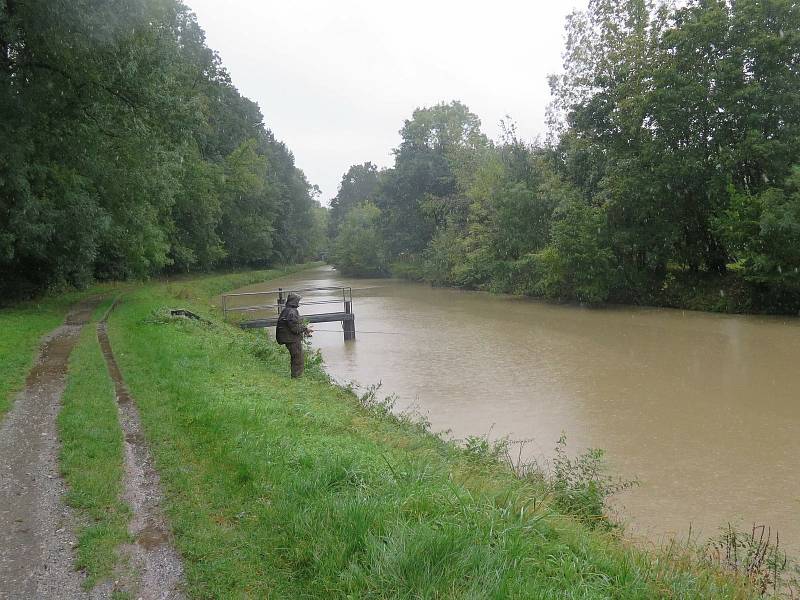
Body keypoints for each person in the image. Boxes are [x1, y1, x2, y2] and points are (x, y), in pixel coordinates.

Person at [275, 292, 311, 378]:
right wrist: (305, 329)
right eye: (298, 301)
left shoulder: (287, 310)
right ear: (294, 302)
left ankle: (295, 377)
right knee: (298, 359)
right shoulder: (292, 312)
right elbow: (295, 328)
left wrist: (304, 329)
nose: (299, 302)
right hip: (292, 339)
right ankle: (297, 378)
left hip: (289, 338)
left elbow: (294, 325)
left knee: (296, 358)